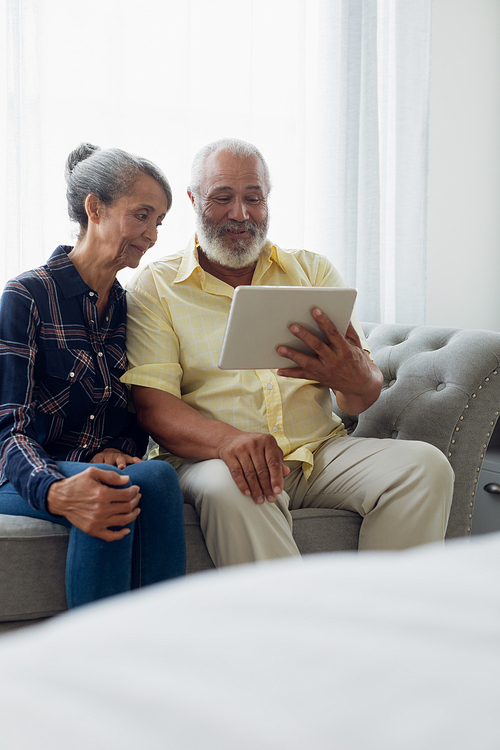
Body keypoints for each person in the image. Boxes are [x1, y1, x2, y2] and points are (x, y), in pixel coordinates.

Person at [122, 137, 454, 568]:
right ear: (193, 199)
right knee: (237, 485)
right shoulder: (156, 286)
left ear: (267, 200)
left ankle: (383, 624)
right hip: (213, 459)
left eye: (253, 198)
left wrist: (354, 377)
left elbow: (361, 396)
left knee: (425, 466)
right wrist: (230, 442)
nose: (240, 214)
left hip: (318, 452)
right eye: (222, 198)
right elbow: (153, 406)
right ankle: (294, 633)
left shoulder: (311, 270)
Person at [0, 143, 186, 607]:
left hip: (87, 465)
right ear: (95, 208)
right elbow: (9, 429)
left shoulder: (128, 307)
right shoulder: (27, 296)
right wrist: (57, 490)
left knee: (159, 478)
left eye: (159, 221)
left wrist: (116, 450)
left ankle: (168, 651)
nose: (152, 235)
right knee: (110, 491)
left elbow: (130, 417)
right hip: (16, 472)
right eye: (142, 215)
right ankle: (95, 668)